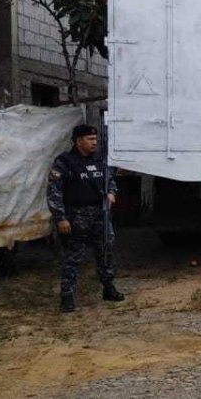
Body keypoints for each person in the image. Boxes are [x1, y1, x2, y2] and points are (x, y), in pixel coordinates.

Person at [48, 124, 123, 312]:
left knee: (105, 252)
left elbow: (110, 180)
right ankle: (67, 296)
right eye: (90, 139)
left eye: (96, 139)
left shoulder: (100, 160)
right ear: (78, 140)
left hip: (100, 215)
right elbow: (54, 192)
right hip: (75, 217)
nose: (94, 143)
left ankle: (108, 288)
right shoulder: (64, 162)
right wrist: (60, 218)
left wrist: (111, 192)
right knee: (73, 258)